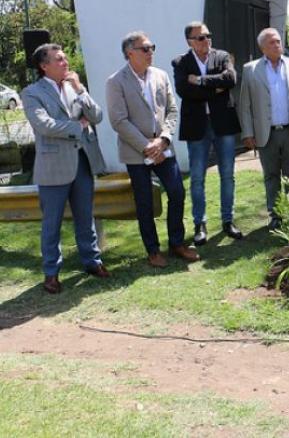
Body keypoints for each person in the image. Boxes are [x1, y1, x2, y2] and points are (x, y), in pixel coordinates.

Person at [106, 31, 199, 267]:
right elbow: (119, 121)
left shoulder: (160, 75)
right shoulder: (115, 82)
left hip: (163, 147)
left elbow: (171, 110)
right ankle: (153, 250)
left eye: (152, 47)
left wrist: (164, 140)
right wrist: (147, 146)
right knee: (145, 202)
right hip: (136, 152)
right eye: (145, 48)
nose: (151, 52)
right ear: (130, 53)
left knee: (177, 192)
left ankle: (177, 243)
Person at [21, 44, 109, 293]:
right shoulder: (32, 92)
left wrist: (81, 90)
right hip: (53, 166)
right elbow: (43, 124)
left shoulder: (74, 87)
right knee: (52, 223)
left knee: (85, 216)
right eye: (59, 59)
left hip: (83, 161)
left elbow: (98, 116)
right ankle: (51, 273)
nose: (65, 62)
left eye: (65, 58)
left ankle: (92, 262)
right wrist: (77, 126)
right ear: (44, 65)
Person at [172, 21, 243, 245]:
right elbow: (184, 90)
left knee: (227, 175)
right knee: (197, 178)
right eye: (201, 37)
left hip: (223, 123)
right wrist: (216, 89)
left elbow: (230, 79)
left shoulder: (222, 56)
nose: (206, 40)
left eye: (208, 35)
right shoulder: (181, 62)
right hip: (197, 126)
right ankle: (199, 224)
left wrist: (201, 81)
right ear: (190, 41)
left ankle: (228, 220)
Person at [239, 28, 289, 229]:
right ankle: (275, 215)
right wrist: (247, 133)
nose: (277, 45)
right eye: (272, 42)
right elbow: (245, 105)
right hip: (267, 134)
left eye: (278, 41)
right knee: (271, 177)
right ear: (262, 47)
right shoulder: (250, 70)